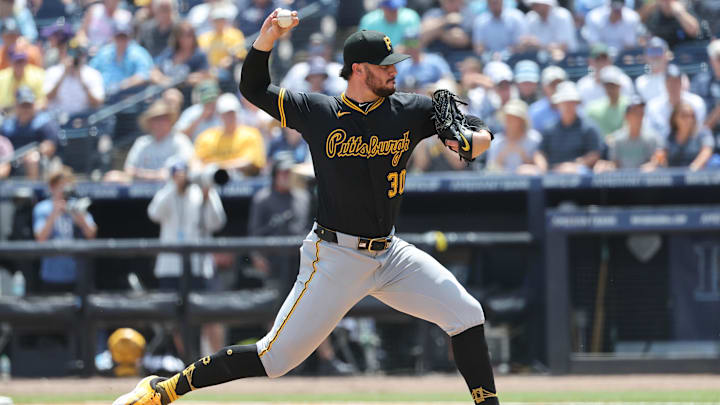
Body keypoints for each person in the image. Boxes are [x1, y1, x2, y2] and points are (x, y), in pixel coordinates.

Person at [113, 11, 498, 405]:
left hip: (391, 253)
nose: (394, 73)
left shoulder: (411, 110)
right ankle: (165, 389)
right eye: (385, 67)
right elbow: (254, 87)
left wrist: (476, 137)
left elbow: (474, 128)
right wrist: (265, 40)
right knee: (274, 358)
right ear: (359, 70)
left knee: (467, 314)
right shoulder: (319, 112)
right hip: (335, 256)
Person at [147, 160, 227, 352]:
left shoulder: (202, 190)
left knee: (210, 316)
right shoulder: (167, 192)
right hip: (171, 267)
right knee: (176, 319)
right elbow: (153, 213)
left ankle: (220, 365)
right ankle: (188, 363)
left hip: (199, 267)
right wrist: (174, 186)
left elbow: (216, 223)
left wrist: (208, 197)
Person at [33, 167, 97, 293]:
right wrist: (54, 214)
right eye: (60, 187)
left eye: (66, 186)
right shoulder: (43, 208)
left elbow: (91, 234)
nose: (63, 191)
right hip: (52, 275)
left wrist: (77, 215)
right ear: (52, 188)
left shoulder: (77, 206)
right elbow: (40, 239)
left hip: (77, 274)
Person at [534, 81, 602, 173]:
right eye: (564, 103)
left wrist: (575, 165)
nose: (568, 106)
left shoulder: (588, 128)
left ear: (577, 104)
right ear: (558, 105)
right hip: (553, 173)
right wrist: (542, 168)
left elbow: (595, 154)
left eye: (571, 103)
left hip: (581, 176)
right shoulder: (549, 128)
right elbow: (540, 152)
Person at [193, 92, 266, 176]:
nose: (229, 117)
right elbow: (196, 162)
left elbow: (250, 162)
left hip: (242, 182)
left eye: (232, 113)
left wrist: (217, 167)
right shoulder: (207, 137)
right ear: (219, 116)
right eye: (226, 114)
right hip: (213, 181)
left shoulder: (251, 134)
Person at [124, 99, 194, 181]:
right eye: (156, 119)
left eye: (164, 119)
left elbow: (189, 166)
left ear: (170, 121)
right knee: (112, 176)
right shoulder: (142, 143)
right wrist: (153, 175)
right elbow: (128, 169)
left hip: (171, 189)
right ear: (150, 123)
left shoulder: (180, 140)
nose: (160, 123)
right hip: (142, 188)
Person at [1, 86, 57, 179]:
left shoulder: (43, 122)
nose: (26, 109)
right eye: (23, 105)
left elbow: (50, 146)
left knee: (32, 158)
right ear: (16, 105)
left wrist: (37, 150)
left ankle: (33, 191)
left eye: (29, 105)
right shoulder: (8, 125)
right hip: (10, 161)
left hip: (36, 162)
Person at [89, 20, 154, 98]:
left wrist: (122, 85)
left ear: (129, 38)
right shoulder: (104, 52)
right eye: (118, 37)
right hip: (104, 96)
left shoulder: (138, 53)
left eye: (124, 38)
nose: (121, 41)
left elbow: (145, 74)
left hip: (129, 98)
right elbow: (91, 71)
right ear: (113, 37)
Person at [645, 64, 706, 141]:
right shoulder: (653, 106)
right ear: (665, 83)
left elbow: (698, 130)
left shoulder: (696, 103)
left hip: (689, 146)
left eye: (676, 81)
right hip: (661, 147)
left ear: (681, 83)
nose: (673, 85)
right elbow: (649, 132)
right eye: (670, 81)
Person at [152, 22, 210, 101]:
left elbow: (204, 76)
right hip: (163, 91)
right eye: (181, 35)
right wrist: (162, 80)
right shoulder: (170, 52)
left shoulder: (199, 55)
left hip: (185, 95)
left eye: (189, 35)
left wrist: (187, 80)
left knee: (171, 97)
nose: (185, 38)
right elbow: (154, 70)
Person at [44, 43, 105, 116]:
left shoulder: (93, 74)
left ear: (84, 56)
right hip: (57, 118)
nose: (74, 58)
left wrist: (81, 79)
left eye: (78, 54)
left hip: (83, 119)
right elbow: (48, 98)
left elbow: (97, 103)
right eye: (70, 53)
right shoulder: (53, 72)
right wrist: (63, 75)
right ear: (63, 54)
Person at [651, 102, 714, 170]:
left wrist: (694, 167)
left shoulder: (703, 133)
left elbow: (706, 151)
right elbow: (660, 154)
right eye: (684, 116)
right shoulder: (669, 136)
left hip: (697, 175)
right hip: (673, 175)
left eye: (691, 116)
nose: (688, 119)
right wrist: (654, 164)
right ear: (674, 118)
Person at [600, 96, 658, 171]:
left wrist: (652, 165)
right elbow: (614, 163)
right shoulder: (617, 139)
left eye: (641, 113)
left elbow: (656, 160)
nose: (639, 117)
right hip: (621, 181)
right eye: (635, 113)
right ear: (626, 116)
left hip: (645, 180)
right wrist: (606, 166)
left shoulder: (651, 138)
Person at [486, 99, 542, 174]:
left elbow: (541, 169)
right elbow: (490, 171)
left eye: (514, 119)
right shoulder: (496, 141)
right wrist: (503, 153)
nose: (509, 122)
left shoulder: (534, 139)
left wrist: (524, 157)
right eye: (507, 118)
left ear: (522, 121)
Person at [197, 4, 246, 76]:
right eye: (216, 20)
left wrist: (230, 60)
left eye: (221, 19)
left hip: (229, 69)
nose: (219, 22)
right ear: (211, 21)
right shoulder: (204, 38)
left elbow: (240, 55)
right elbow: (201, 56)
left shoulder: (235, 34)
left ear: (225, 20)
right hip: (208, 71)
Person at [585, 65, 630, 138]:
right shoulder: (593, 109)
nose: (610, 89)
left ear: (619, 86)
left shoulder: (630, 105)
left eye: (613, 86)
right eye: (607, 86)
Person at [690, 40, 720, 142]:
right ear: (711, 60)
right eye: (719, 58)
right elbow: (696, 127)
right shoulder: (700, 82)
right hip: (707, 140)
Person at [528, 65, 566, 132]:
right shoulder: (534, 111)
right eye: (552, 85)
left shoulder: (575, 108)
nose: (556, 88)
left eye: (559, 84)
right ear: (544, 87)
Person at [635, 37, 671, 102]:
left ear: (667, 55)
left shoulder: (677, 79)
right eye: (651, 51)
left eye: (658, 51)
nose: (655, 56)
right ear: (645, 56)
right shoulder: (640, 82)